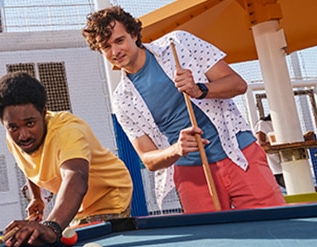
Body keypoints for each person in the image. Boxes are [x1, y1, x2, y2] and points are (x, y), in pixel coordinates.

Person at [82, 6, 284, 213]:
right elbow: (148, 159)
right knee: (215, 243)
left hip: (239, 153)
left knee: (278, 226)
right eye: (106, 47)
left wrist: (200, 90)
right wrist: (176, 149)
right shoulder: (122, 99)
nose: (115, 52)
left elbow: (238, 84)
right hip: (191, 174)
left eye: (119, 40)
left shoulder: (178, 43)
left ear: (133, 35)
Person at [0, 72, 134, 247]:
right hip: (77, 204)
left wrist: (51, 226)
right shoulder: (12, 137)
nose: (23, 135)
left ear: (43, 113)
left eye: (30, 124)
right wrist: (37, 198)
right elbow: (29, 164)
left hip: (108, 193)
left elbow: (76, 176)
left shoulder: (67, 131)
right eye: (13, 127)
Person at [253, 114, 285, 188]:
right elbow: (260, 142)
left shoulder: (283, 126)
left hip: (287, 162)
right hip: (275, 168)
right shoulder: (263, 124)